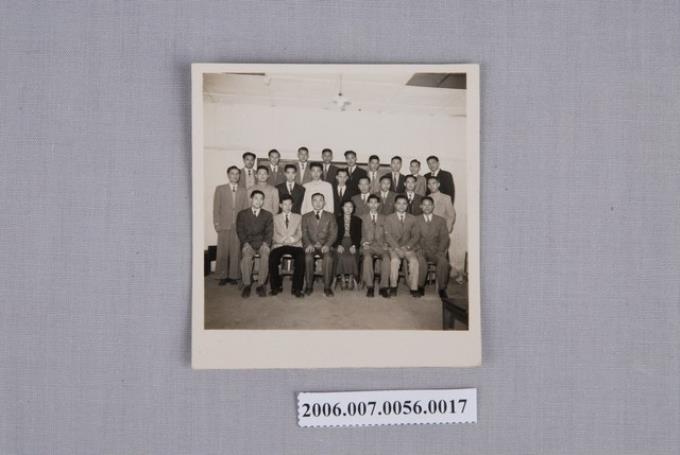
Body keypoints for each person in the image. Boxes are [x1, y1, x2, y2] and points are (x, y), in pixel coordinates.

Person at [213, 166, 249, 285]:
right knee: (223, 251)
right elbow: (216, 208)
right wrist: (216, 223)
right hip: (224, 224)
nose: (235, 176)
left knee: (235, 251)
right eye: (232, 173)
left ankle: (234, 276)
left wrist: (244, 226)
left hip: (237, 225)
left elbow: (245, 210)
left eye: (237, 174)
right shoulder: (220, 189)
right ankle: (222, 275)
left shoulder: (243, 190)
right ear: (228, 175)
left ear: (239, 176)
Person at [236, 191, 273, 298]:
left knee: (265, 255)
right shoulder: (242, 214)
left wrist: (266, 244)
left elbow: (269, 232)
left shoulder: (268, 215)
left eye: (261, 199)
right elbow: (240, 231)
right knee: (246, 257)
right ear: (251, 199)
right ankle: (247, 285)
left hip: (262, 243)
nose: (258, 201)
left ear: (263, 201)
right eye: (256, 198)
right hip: (248, 243)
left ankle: (261, 285)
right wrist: (245, 243)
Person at [268, 195, 305, 298]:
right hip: (280, 244)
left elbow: (300, 232)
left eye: (289, 204)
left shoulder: (298, 217)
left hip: (295, 244)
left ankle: (297, 288)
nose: (287, 207)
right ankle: (276, 286)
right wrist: (282, 240)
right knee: (272, 258)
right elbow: (273, 233)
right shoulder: (275, 218)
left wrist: (293, 239)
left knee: (301, 258)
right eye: (285, 204)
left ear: (292, 205)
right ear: (280, 205)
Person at [383, 195, 420, 297]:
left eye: (404, 204)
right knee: (395, 261)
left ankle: (414, 288)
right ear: (395, 205)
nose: (401, 206)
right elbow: (388, 236)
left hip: (408, 247)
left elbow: (416, 236)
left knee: (414, 262)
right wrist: (396, 248)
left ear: (407, 205)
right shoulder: (389, 218)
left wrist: (407, 246)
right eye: (399, 203)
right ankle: (393, 286)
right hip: (394, 247)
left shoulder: (412, 218)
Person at [301, 193, 337, 297]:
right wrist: (308, 244)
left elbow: (333, 233)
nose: (318, 203)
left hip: (325, 245)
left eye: (320, 200)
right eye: (315, 200)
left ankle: (327, 287)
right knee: (308, 258)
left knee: (328, 258)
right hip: (311, 245)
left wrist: (327, 245)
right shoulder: (306, 216)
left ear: (324, 202)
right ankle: (308, 286)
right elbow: (304, 233)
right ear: (311, 202)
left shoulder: (330, 216)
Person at [414, 197, 450, 298]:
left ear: (433, 206)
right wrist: (417, 248)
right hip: (421, 249)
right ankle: (420, 286)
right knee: (421, 261)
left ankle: (442, 288)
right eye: (424, 205)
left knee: (443, 262)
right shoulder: (416, 220)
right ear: (421, 206)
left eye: (429, 205)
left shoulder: (440, 220)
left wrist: (441, 250)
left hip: (435, 250)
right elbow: (413, 237)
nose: (427, 207)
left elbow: (445, 238)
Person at [360, 195, 391, 298]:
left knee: (387, 259)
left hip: (381, 246)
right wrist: (363, 243)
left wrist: (386, 243)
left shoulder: (384, 218)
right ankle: (370, 287)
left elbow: (388, 233)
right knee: (367, 258)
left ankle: (383, 287)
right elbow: (360, 234)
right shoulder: (362, 218)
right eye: (371, 202)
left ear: (378, 204)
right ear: (368, 204)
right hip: (368, 246)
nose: (373, 205)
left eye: (375, 203)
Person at [333, 200, 362, 290]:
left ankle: (351, 277)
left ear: (353, 209)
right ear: (342, 208)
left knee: (353, 256)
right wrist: (338, 244)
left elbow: (359, 235)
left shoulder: (358, 220)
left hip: (352, 242)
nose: (348, 209)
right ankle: (342, 277)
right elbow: (333, 234)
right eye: (346, 206)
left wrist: (354, 245)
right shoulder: (336, 219)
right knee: (340, 255)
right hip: (340, 242)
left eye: (350, 207)